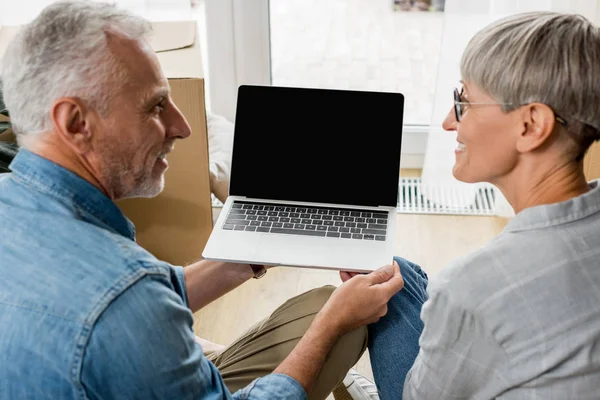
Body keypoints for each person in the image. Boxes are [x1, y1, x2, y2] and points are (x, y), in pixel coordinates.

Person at [0, 2, 404, 399]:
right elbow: (131, 302)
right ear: (75, 123)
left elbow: (141, 294)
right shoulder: (130, 300)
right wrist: (330, 326)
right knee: (337, 315)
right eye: (156, 106)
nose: (182, 126)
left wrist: (251, 253)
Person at [363, 11, 600, 399]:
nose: (447, 123)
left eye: (464, 101)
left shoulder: (473, 288)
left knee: (386, 288)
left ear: (531, 125)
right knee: (396, 275)